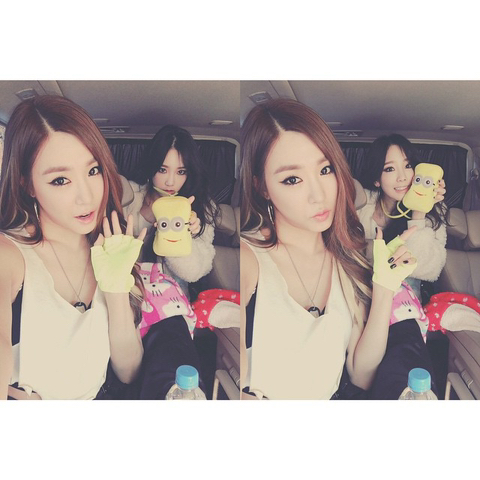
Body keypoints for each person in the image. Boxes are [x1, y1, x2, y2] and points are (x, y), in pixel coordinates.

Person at [0, 95, 200, 400]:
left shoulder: (109, 249)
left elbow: (128, 371)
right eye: (60, 180)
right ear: (27, 184)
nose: (87, 197)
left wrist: (117, 289)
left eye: (93, 171)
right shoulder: (10, 256)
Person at [240, 98, 425, 400]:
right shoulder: (249, 260)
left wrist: (384, 288)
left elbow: (361, 374)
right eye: (292, 179)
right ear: (262, 188)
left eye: (325, 170)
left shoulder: (347, 260)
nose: (319, 195)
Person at [123, 125, 218, 298]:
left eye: (181, 172)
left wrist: (180, 233)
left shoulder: (199, 207)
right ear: (151, 167)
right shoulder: (129, 197)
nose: (170, 182)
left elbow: (194, 273)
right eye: (162, 170)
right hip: (127, 292)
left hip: (170, 302)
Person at [356, 134, 448, 302]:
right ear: (377, 180)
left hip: (405, 304)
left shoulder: (433, 211)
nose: (403, 177)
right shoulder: (359, 208)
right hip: (361, 297)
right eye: (389, 169)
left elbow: (427, 270)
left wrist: (419, 213)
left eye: (408, 166)